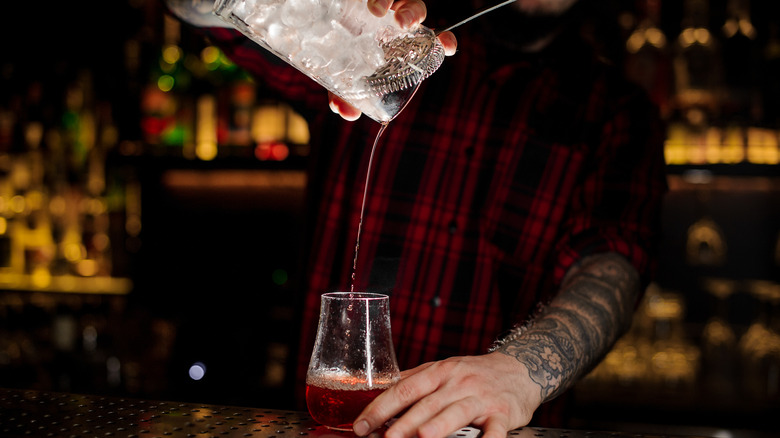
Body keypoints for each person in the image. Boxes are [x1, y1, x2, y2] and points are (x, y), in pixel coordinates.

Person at [166, 1, 668, 437]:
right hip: (327, 428)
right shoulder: (376, 44)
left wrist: (522, 371)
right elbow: (203, 11)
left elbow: (612, 271)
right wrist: (321, 9)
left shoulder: (619, 114)